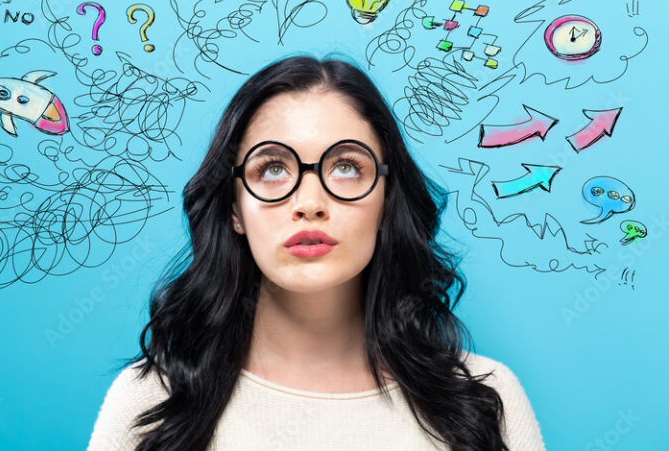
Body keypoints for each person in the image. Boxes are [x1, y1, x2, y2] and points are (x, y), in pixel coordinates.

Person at [86, 55, 546, 450]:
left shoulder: (485, 398)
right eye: (271, 169)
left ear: (387, 203)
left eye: (346, 167)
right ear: (234, 208)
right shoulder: (152, 402)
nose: (309, 203)